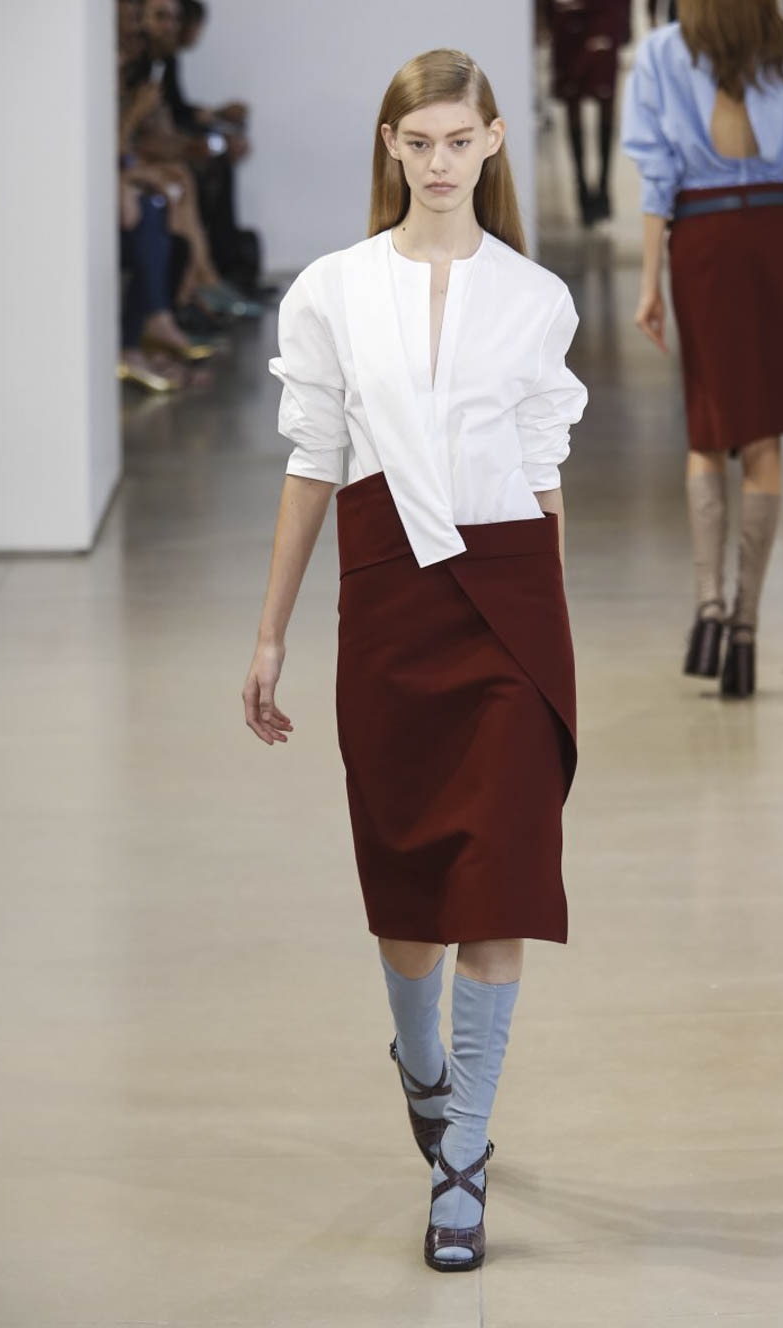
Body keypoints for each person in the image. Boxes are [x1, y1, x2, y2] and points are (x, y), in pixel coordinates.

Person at [242, 49, 587, 1271]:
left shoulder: (538, 298)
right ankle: (423, 1059)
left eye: (459, 139)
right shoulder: (332, 291)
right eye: (418, 141)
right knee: (408, 900)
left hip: (509, 606)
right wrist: (273, 630)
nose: (440, 162)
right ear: (391, 146)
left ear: (492, 141)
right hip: (390, 601)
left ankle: (463, 1155)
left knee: (500, 882)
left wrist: (554, 636)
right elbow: (312, 464)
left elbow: (544, 476)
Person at [622, 0, 783, 697]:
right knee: (762, 438)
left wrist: (649, 283)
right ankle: (746, 632)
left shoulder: (665, 52)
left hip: (704, 242)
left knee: (709, 427)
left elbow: (658, 179)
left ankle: (710, 608)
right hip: (779, 237)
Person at [545, 0, 632, 226]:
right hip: (569, 12)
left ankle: (602, 184)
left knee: (605, 94)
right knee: (573, 97)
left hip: (604, 11)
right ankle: (582, 185)